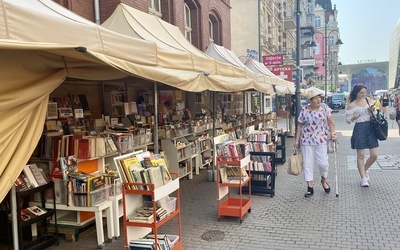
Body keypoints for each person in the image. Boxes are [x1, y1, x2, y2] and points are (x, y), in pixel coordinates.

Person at [294, 90, 336, 197]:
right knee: (308, 163)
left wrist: (333, 134)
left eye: (319, 97)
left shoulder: (324, 108)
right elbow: (299, 125)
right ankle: (310, 187)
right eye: (316, 98)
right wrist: (296, 140)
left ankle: (323, 181)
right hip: (306, 140)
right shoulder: (304, 110)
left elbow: (331, 122)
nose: (318, 99)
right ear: (310, 100)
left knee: (323, 163)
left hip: (321, 139)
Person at [345, 84, 378, 187]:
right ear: (356, 92)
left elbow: (376, 113)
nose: (363, 94)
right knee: (361, 155)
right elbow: (347, 120)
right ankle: (363, 178)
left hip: (370, 127)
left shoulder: (368, 100)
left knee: (375, 154)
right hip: (359, 128)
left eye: (364, 92)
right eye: (361, 93)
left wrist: (373, 111)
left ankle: (364, 169)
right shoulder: (352, 105)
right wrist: (353, 118)